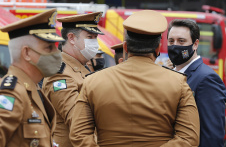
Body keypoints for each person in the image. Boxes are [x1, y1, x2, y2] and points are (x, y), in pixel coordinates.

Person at [69, 10, 200, 147]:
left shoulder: (92, 81)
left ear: (125, 47)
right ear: (158, 49)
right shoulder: (178, 83)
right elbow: (188, 139)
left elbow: (79, 135)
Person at [0, 8, 65, 147]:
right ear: (27, 53)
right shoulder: (12, 92)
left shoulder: (34, 88)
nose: (57, 53)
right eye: (49, 48)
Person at [42, 12, 104, 147]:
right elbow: (78, 122)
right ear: (71, 38)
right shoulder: (59, 74)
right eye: (90, 37)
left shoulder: (81, 67)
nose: (94, 42)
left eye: (95, 37)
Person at [167, 19, 226, 147]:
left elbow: (212, 136)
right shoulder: (170, 74)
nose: (175, 45)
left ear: (195, 44)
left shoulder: (207, 79)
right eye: (171, 41)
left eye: (181, 41)